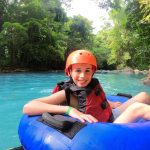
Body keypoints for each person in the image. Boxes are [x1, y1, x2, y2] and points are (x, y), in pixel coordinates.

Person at [23, 50, 150, 123]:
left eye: (87, 71)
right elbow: (28, 107)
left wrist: (109, 103)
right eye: (78, 71)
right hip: (105, 129)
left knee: (143, 96)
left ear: (92, 72)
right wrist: (69, 110)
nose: (83, 76)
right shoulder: (67, 92)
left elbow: (96, 100)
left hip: (110, 115)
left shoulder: (92, 85)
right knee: (138, 109)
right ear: (69, 72)